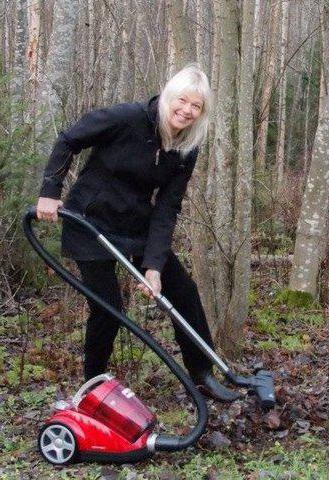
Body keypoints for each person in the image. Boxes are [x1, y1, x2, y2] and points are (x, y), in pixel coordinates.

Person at [36, 64, 240, 402]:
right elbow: (69, 139)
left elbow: (167, 207)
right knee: (108, 306)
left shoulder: (186, 148)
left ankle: (202, 373)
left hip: (135, 224)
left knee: (183, 290)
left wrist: (155, 266)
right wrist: (50, 190)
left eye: (196, 106)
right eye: (183, 100)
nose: (187, 110)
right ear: (169, 95)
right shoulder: (125, 118)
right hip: (90, 220)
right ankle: (93, 389)